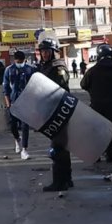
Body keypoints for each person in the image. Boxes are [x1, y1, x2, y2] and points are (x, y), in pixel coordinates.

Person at [37, 38, 73, 192]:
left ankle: (60, 182)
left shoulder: (58, 68)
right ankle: (67, 179)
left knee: (58, 148)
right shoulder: (45, 67)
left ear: (53, 52)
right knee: (62, 147)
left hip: (59, 111)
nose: (45, 54)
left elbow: (62, 90)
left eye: (47, 51)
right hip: (51, 111)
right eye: (43, 51)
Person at [81, 44, 112, 163]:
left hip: (97, 106)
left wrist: (93, 90)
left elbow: (83, 84)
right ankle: (110, 154)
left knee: (97, 131)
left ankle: (96, 155)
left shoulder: (93, 70)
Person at [3, 51, 36, 160]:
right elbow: (6, 87)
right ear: (14, 60)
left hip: (26, 101)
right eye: (18, 61)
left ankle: (24, 150)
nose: (20, 63)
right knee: (13, 126)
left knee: (25, 126)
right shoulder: (9, 70)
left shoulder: (30, 69)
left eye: (21, 61)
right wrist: (8, 103)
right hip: (13, 101)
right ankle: (17, 139)